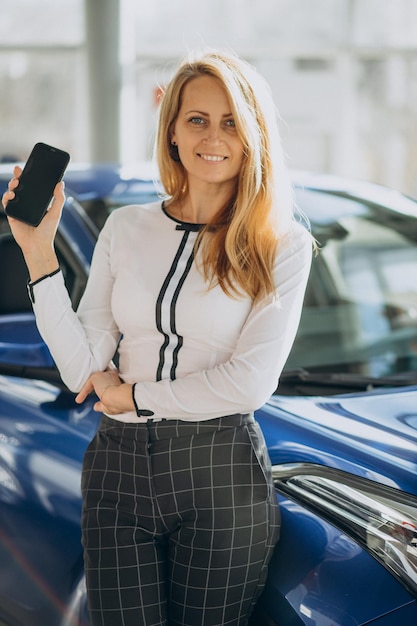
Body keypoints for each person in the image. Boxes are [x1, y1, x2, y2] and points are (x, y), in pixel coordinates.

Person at [3, 49, 312, 626]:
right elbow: (82, 368)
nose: (212, 136)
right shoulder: (126, 227)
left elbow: (250, 383)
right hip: (116, 467)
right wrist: (37, 252)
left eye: (231, 122)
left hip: (219, 471)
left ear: (252, 136)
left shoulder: (282, 244)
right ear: (172, 130)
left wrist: (137, 398)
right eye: (196, 118)